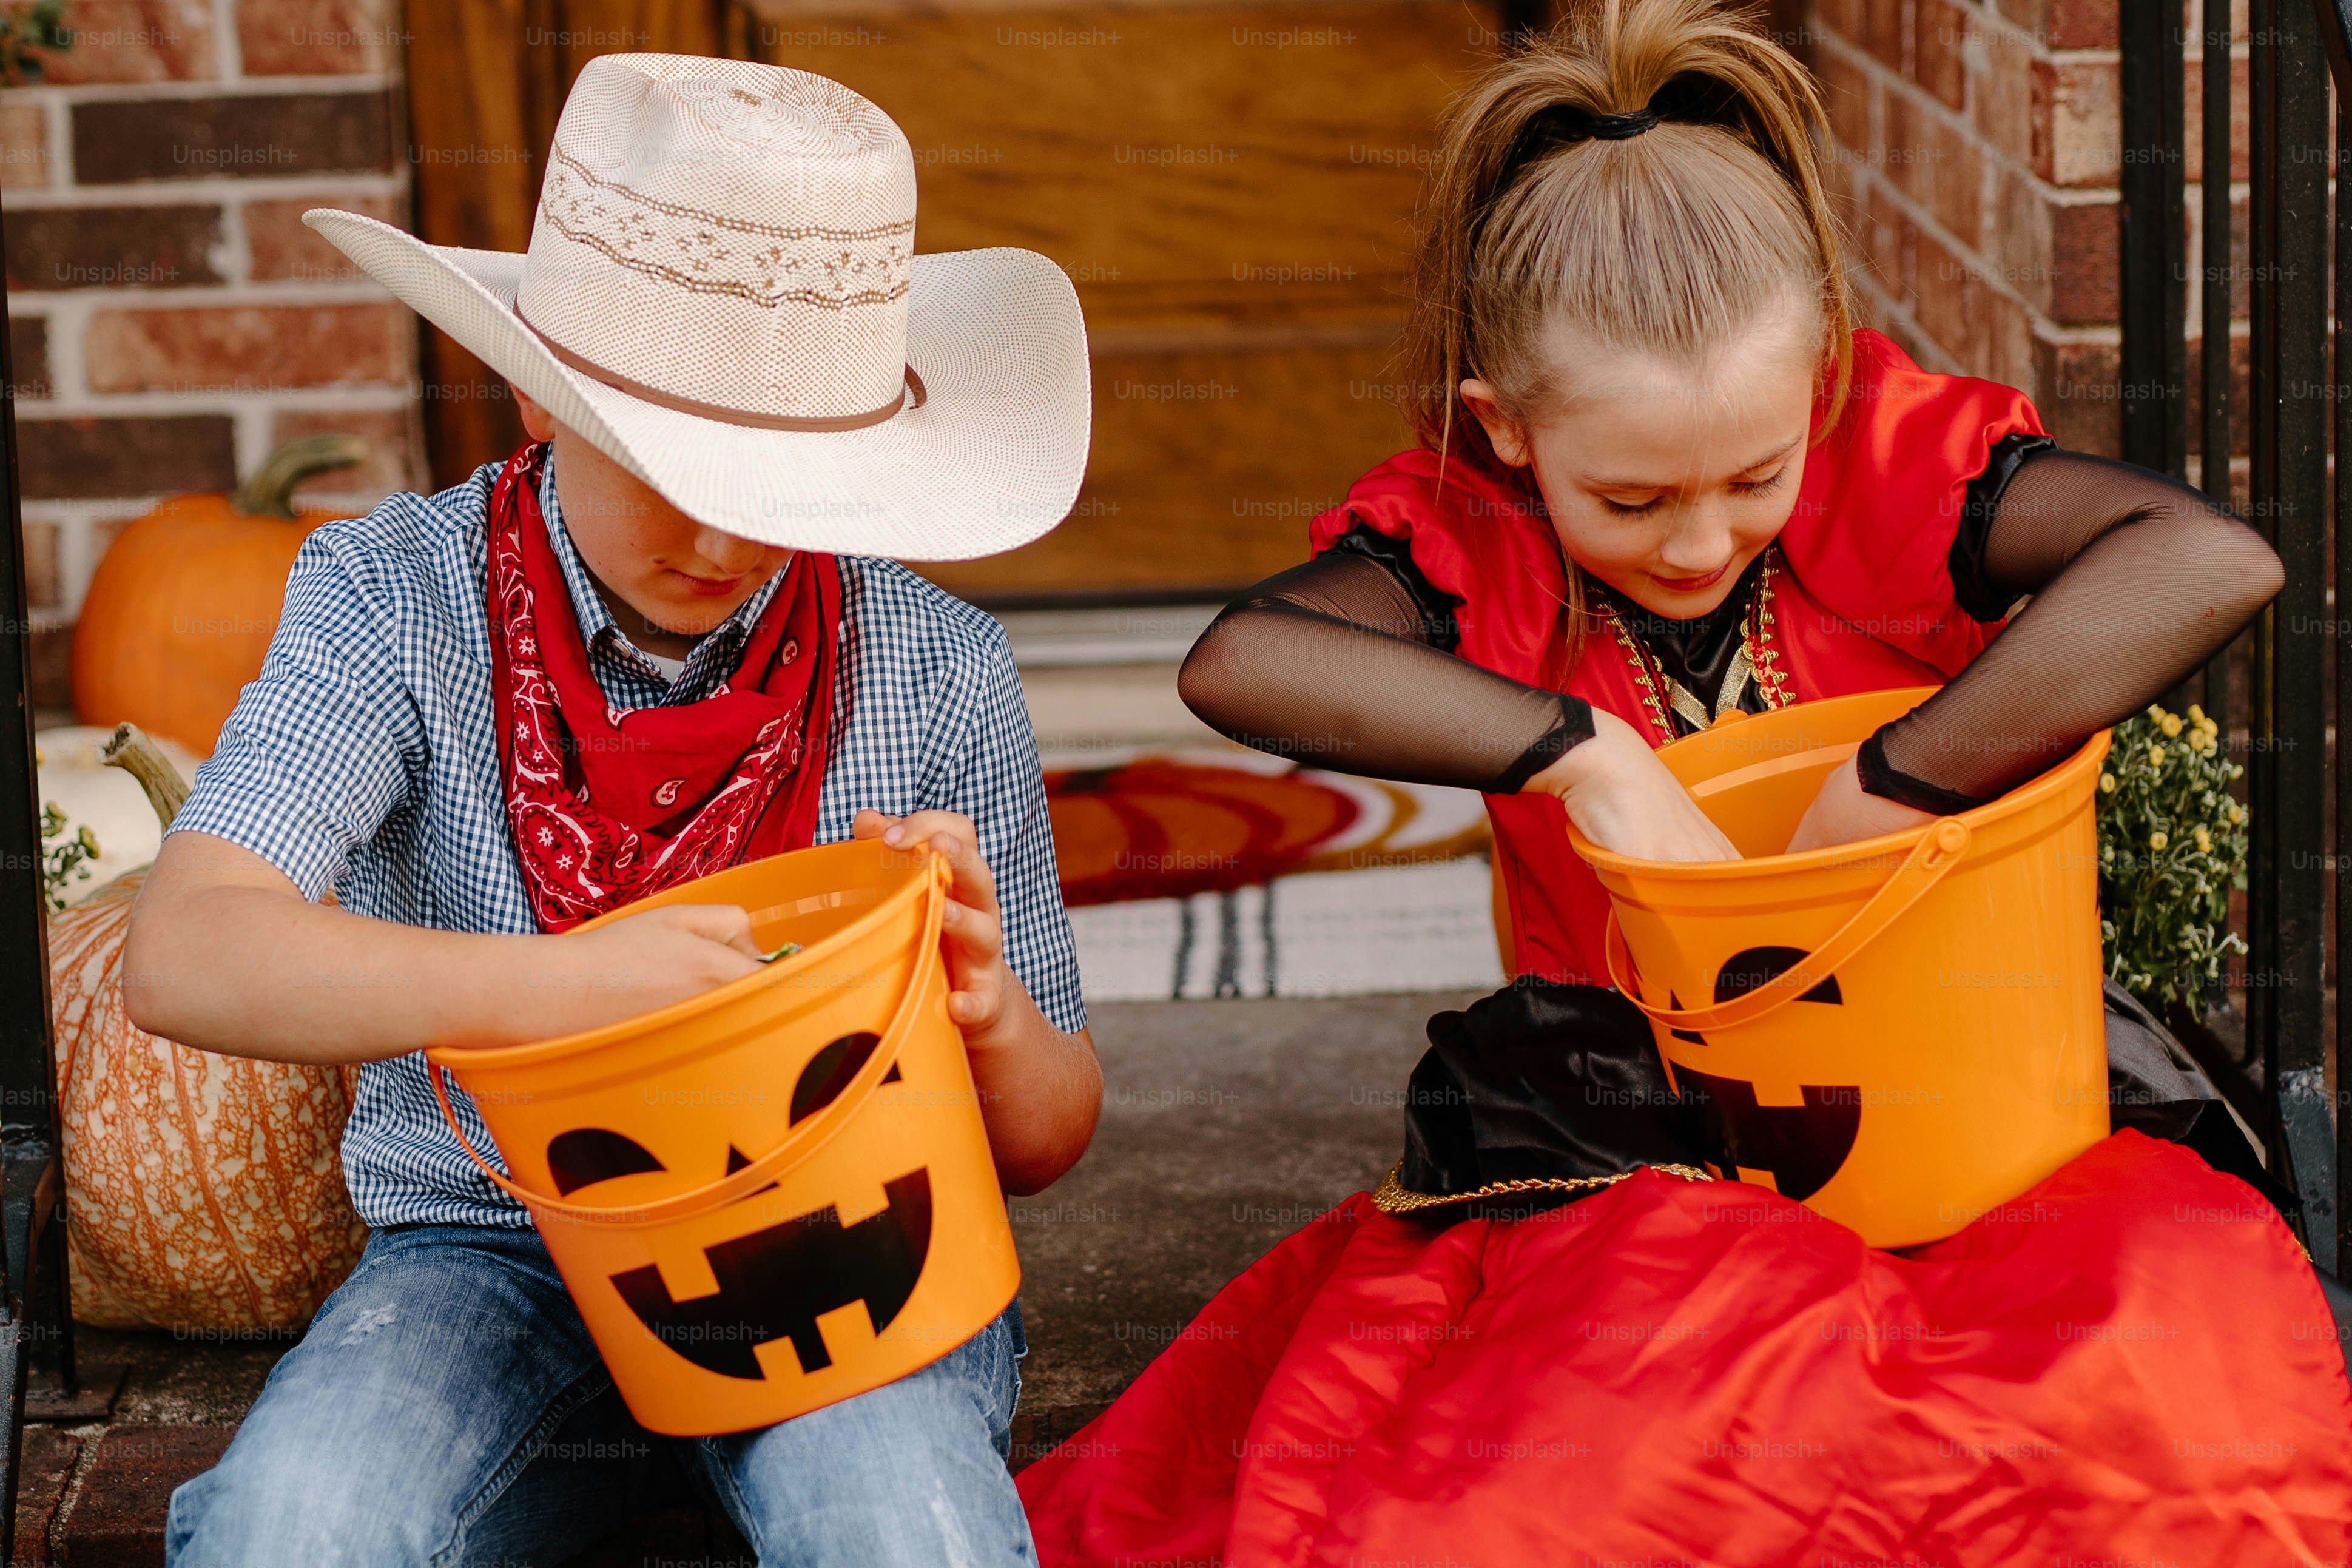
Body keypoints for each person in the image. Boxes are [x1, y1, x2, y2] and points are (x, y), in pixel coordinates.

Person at [1016, 2, 2352, 1563]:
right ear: (1507, 436)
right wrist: (1584, 757)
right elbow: (1240, 667)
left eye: (1752, 476)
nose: (1703, 540)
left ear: (1819, 406)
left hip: (1965, 1098)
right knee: (1648, 1458)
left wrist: (1900, 778)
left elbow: (2207, 559)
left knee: (2149, 1395)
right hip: (1632, 1136)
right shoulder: (1485, 543)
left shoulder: (1883, 473)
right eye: (1632, 497)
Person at [127, 55, 1099, 1568]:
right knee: (296, 1529)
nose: (716, 532)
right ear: (536, 384)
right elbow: (184, 953)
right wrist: (573, 991)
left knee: (905, 1536)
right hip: (492, 1250)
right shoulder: (390, 603)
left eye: (779, 478)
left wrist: (983, 1018)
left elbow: (1045, 1138)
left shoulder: (937, 667)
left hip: (842, 1247)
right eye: (663, 463)